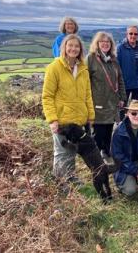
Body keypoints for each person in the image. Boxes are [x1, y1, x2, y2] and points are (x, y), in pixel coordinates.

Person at [42, 34, 94, 184]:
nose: (73, 48)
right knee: (61, 152)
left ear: (80, 49)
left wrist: (90, 116)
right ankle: (60, 183)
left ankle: (69, 177)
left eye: (76, 46)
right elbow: (47, 96)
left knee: (71, 150)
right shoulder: (55, 67)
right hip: (62, 119)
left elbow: (88, 94)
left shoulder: (83, 68)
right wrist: (52, 120)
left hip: (78, 119)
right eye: (70, 45)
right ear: (63, 47)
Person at [87, 31, 126, 160]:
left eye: (107, 42)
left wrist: (122, 97)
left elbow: (120, 79)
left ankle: (107, 152)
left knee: (109, 128)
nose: (105, 44)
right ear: (97, 44)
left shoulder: (113, 60)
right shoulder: (91, 59)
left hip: (112, 101)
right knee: (98, 131)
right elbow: (85, 81)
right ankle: (97, 157)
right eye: (102, 42)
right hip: (97, 101)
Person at [117, 25, 138, 102]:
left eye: (135, 34)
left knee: (136, 109)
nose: (133, 36)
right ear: (127, 34)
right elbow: (116, 67)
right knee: (122, 109)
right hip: (124, 85)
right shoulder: (120, 48)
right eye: (131, 33)